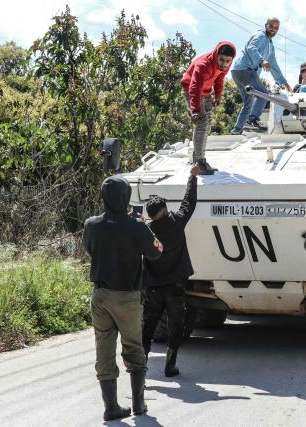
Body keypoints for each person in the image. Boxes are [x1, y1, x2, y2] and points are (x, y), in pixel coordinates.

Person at [83, 175, 164, 420]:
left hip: (101, 296)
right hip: (128, 297)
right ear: (126, 198)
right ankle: (139, 405)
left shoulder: (91, 224)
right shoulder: (136, 226)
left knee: (104, 350)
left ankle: (111, 407)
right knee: (133, 348)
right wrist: (144, 227)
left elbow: (89, 249)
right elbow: (157, 252)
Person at [142, 163, 199, 377]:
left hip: (154, 289)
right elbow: (188, 203)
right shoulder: (176, 222)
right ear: (164, 211)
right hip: (176, 287)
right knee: (176, 325)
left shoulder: (146, 232)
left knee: (148, 326)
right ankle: (170, 364)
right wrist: (192, 177)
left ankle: (142, 364)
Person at [181, 41, 236, 175]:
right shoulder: (203, 64)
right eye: (221, 59)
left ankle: (199, 159)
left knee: (208, 124)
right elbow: (194, 88)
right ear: (216, 54)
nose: (223, 64)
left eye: (227, 61)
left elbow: (220, 78)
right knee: (202, 122)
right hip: (192, 91)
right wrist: (195, 110)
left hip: (206, 92)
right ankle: (199, 162)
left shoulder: (225, 66)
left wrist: (218, 95)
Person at [230, 17, 292, 134]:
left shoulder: (270, 46)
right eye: (271, 26)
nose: (273, 29)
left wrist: (284, 82)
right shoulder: (260, 36)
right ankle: (251, 120)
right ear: (266, 25)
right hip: (245, 70)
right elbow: (251, 47)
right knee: (263, 94)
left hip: (237, 72)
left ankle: (237, 130)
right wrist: (261, 60)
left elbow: (273, 65)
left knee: (248, 103)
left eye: (276, 28)